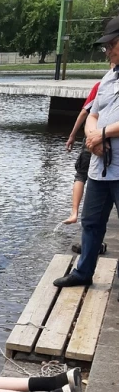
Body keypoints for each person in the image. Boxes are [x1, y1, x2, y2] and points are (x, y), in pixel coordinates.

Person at [54, 16, 119, 288]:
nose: (107, 51)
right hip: (99, 169)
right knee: (91, 223)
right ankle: (83, 273)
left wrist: (103, 134)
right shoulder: (108, 77)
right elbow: (93, 113)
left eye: (111, 45)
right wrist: (93, 135)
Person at [64, 81, 100, 225]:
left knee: (80, 175)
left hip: (91, 137)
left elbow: (85, 112)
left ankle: (74, 212)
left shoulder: (100, 85)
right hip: (109, 140)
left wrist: (72, 135)